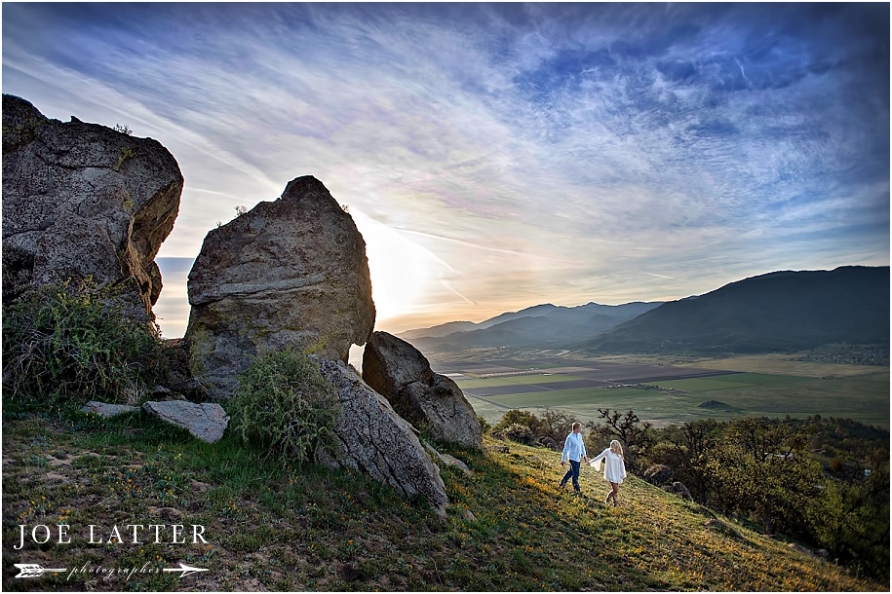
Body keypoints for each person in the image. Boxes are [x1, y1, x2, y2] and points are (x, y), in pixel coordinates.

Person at [589, 439, 627, 506]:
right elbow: (600, 456)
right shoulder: (607, 451)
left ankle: (615, 503)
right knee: (615, 489)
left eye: (613, 444)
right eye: (611, 444)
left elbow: (622, 465)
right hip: (610, 473)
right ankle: (608, 497)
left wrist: (623, 475)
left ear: (616, 446)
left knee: (615, 490)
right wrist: (591, 462)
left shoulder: (619, 455)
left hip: (617, 474)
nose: (611, 445)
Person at [559, 422, 588, 495]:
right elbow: (566, 449)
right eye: (580, 428)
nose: (581, 429)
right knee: (576, 474)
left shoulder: (579, 436)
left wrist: (584, 455)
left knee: (571, 472)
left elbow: (582, 446)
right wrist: (563, 459)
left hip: (578, 458)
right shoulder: (570, 438)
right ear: (576, 428)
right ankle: (577, 490)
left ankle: (562, 483)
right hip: (572, 458)